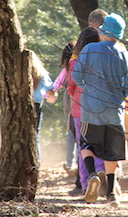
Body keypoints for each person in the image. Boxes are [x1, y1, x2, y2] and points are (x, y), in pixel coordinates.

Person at [72, 13, 128, 206]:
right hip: (114, 110)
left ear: (103, 30)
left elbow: (76, 77)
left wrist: (89, 86)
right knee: (111, 153)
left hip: (91, 108)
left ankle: (92, 175)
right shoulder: (124, 54)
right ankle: (111, 194)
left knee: (86, 144)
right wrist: (118, 95)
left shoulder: (90, 49)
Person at [67, 28, 105, 195]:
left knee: (83, 145)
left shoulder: (75, 62)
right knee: (100, 144)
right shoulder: (103, 59)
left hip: (79, 109)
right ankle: (102, 175)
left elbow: (70, 87)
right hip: (99, 108)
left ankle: (85, 184)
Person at [50, 41, 78, 172]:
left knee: (70, 132)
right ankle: (79, 162)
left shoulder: (66, 69)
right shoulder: (80, 65)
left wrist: (48, 95)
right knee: (80, 131)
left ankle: (69, 163)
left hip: (69, 101)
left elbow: (55, 86)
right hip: (80, 101)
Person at [30, 49, 54, 162]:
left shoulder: (18, 73)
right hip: (36, 106)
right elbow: (51, 89)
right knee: (35, 136)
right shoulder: (41, 73)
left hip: (20, 107)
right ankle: (36, 162)